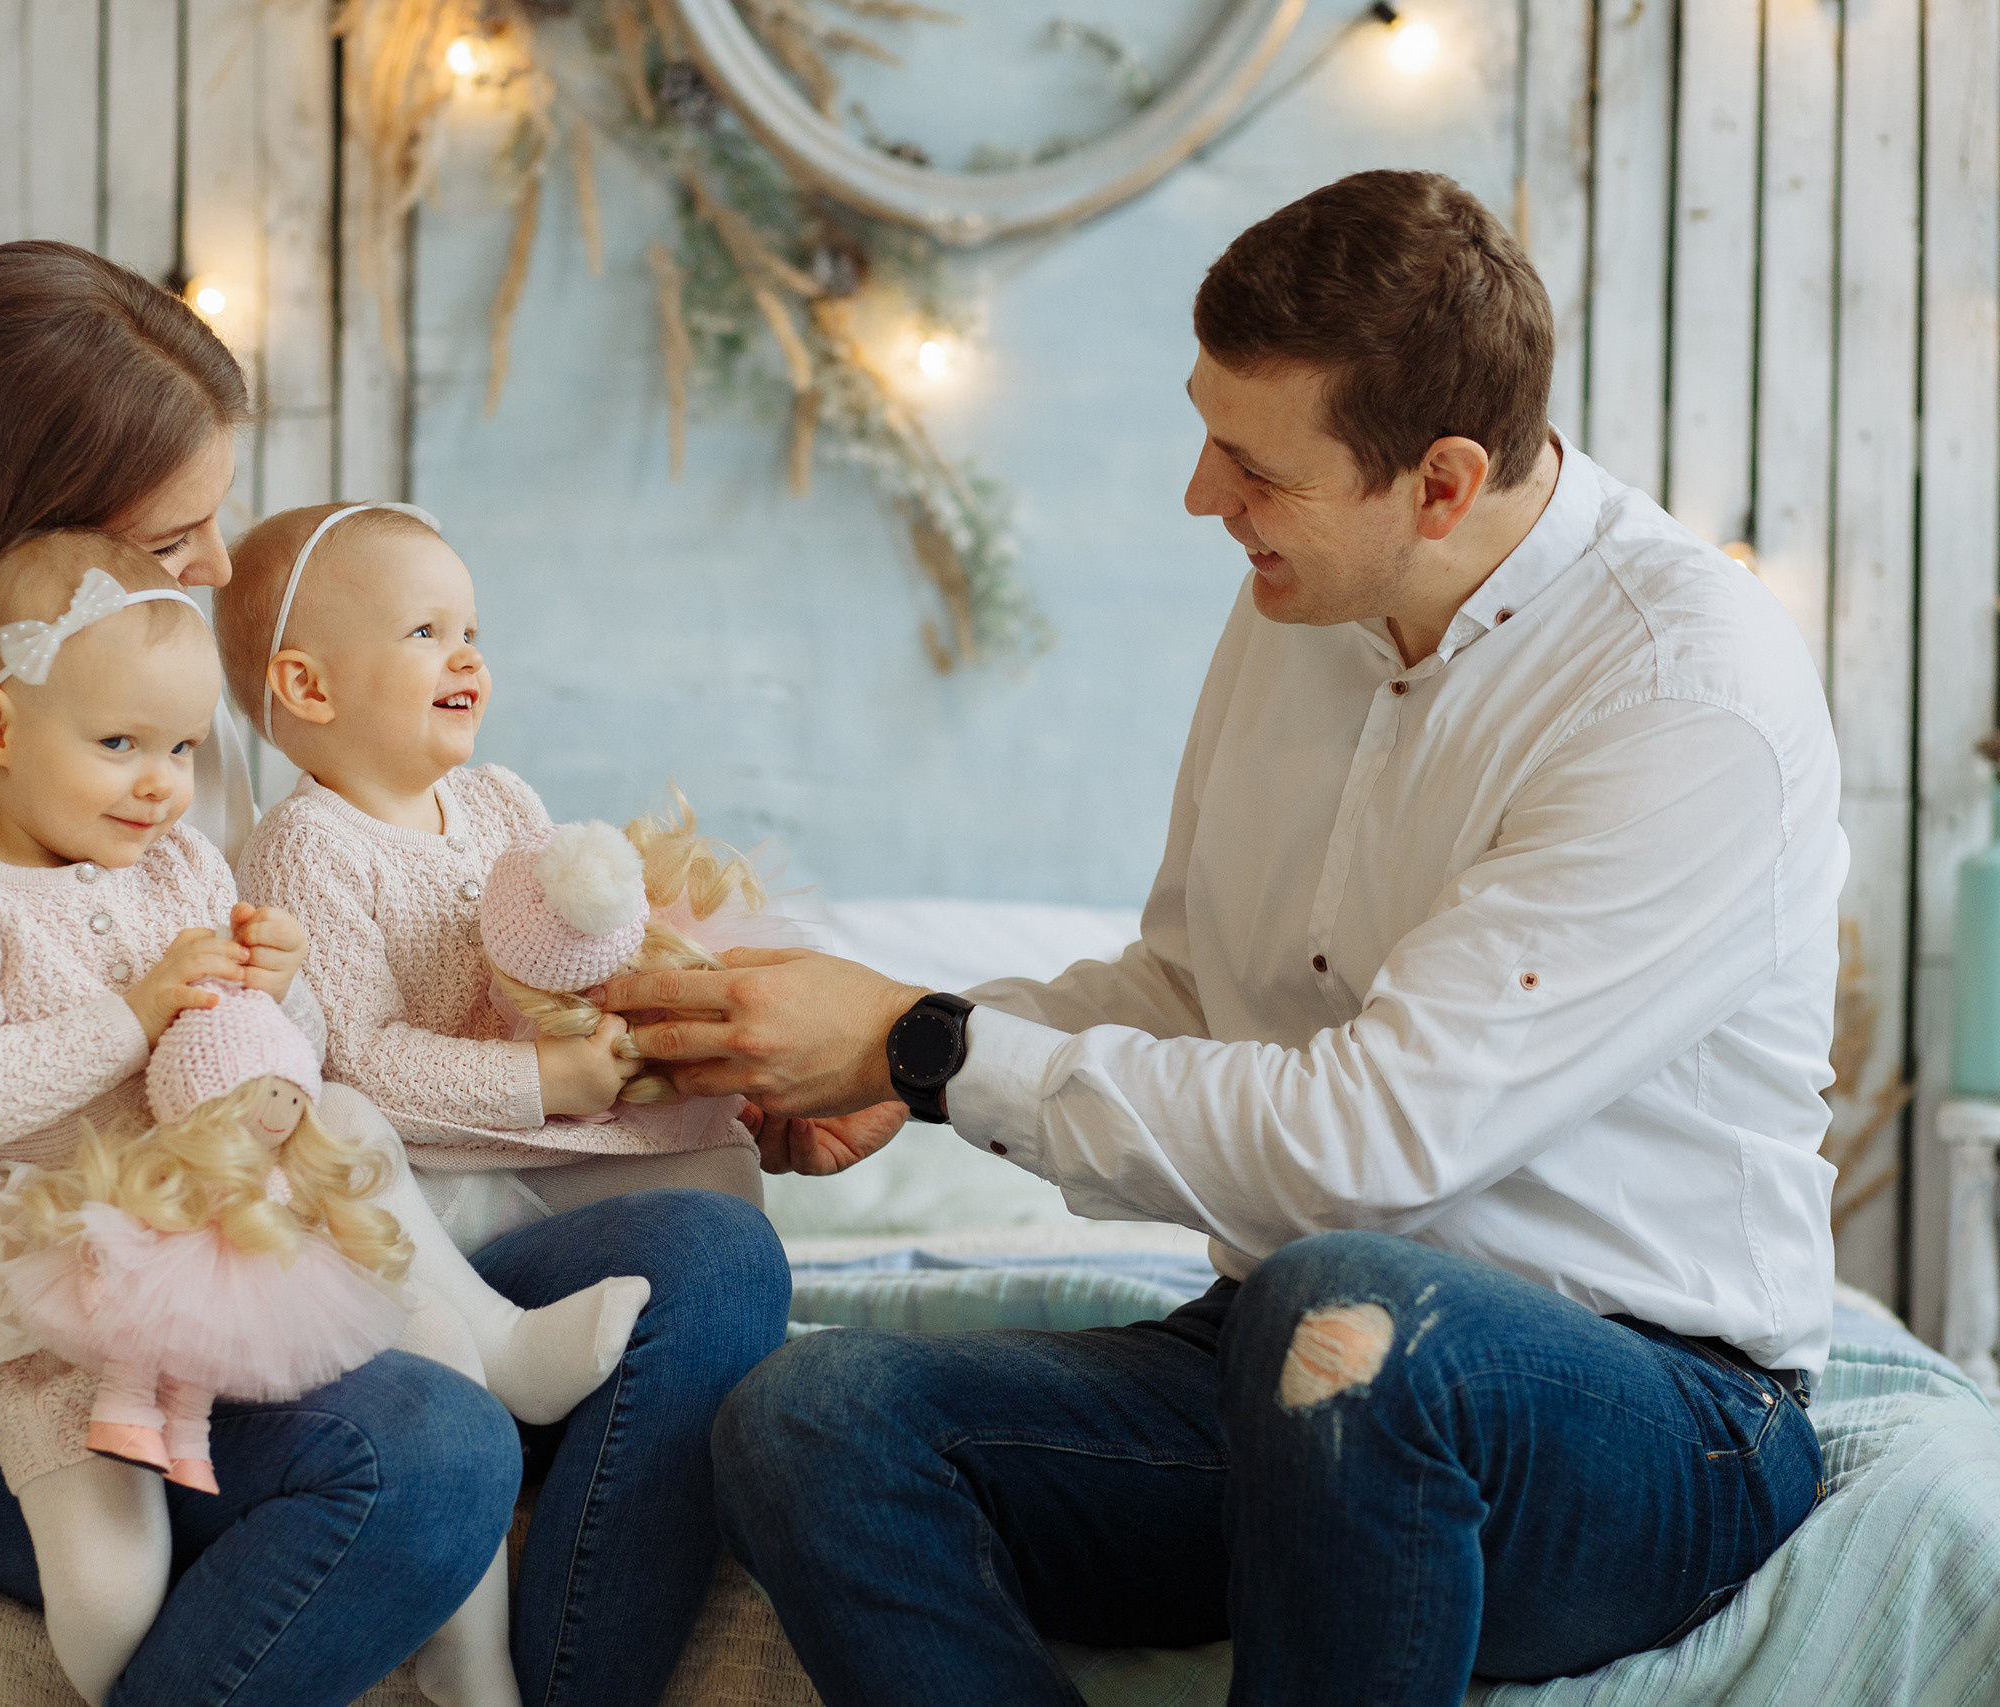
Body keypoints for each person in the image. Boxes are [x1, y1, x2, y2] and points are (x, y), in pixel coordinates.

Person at [596, 171, 1841, 1705]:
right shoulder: (1299, 600)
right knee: (807, 1413)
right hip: (1274, 1357)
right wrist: (901, 1056)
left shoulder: (1679, 699)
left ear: (1441, 485)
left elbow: (1372, 1145)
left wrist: (923, 1043)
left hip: (1653, 1414)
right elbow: (1188, 985)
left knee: (1351, 1309)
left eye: (1253, 464)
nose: (1202, 495)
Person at [0, 241, 777, 1707]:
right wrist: (182, 1220)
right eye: (177, 540)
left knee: (712, 1263)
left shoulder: (146, 770)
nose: (219, 571)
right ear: (26, 563)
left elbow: (282, 1060)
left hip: (264, 1255)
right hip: (38, 1357)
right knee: (436, 1446)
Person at [222, 502, 794, 1704]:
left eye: (472, 626)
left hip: (536, 1157)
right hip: (430, 1206)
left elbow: (548, 961)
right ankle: (501, 1364)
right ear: (307, 688)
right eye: (426, 630)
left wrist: (616, 1015)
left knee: (720, 1184)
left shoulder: (499, 805)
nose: (468, 655)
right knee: (350, 1130)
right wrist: (539, 1078)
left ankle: (694, 1381)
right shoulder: (305, 848)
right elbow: (361, 1064)